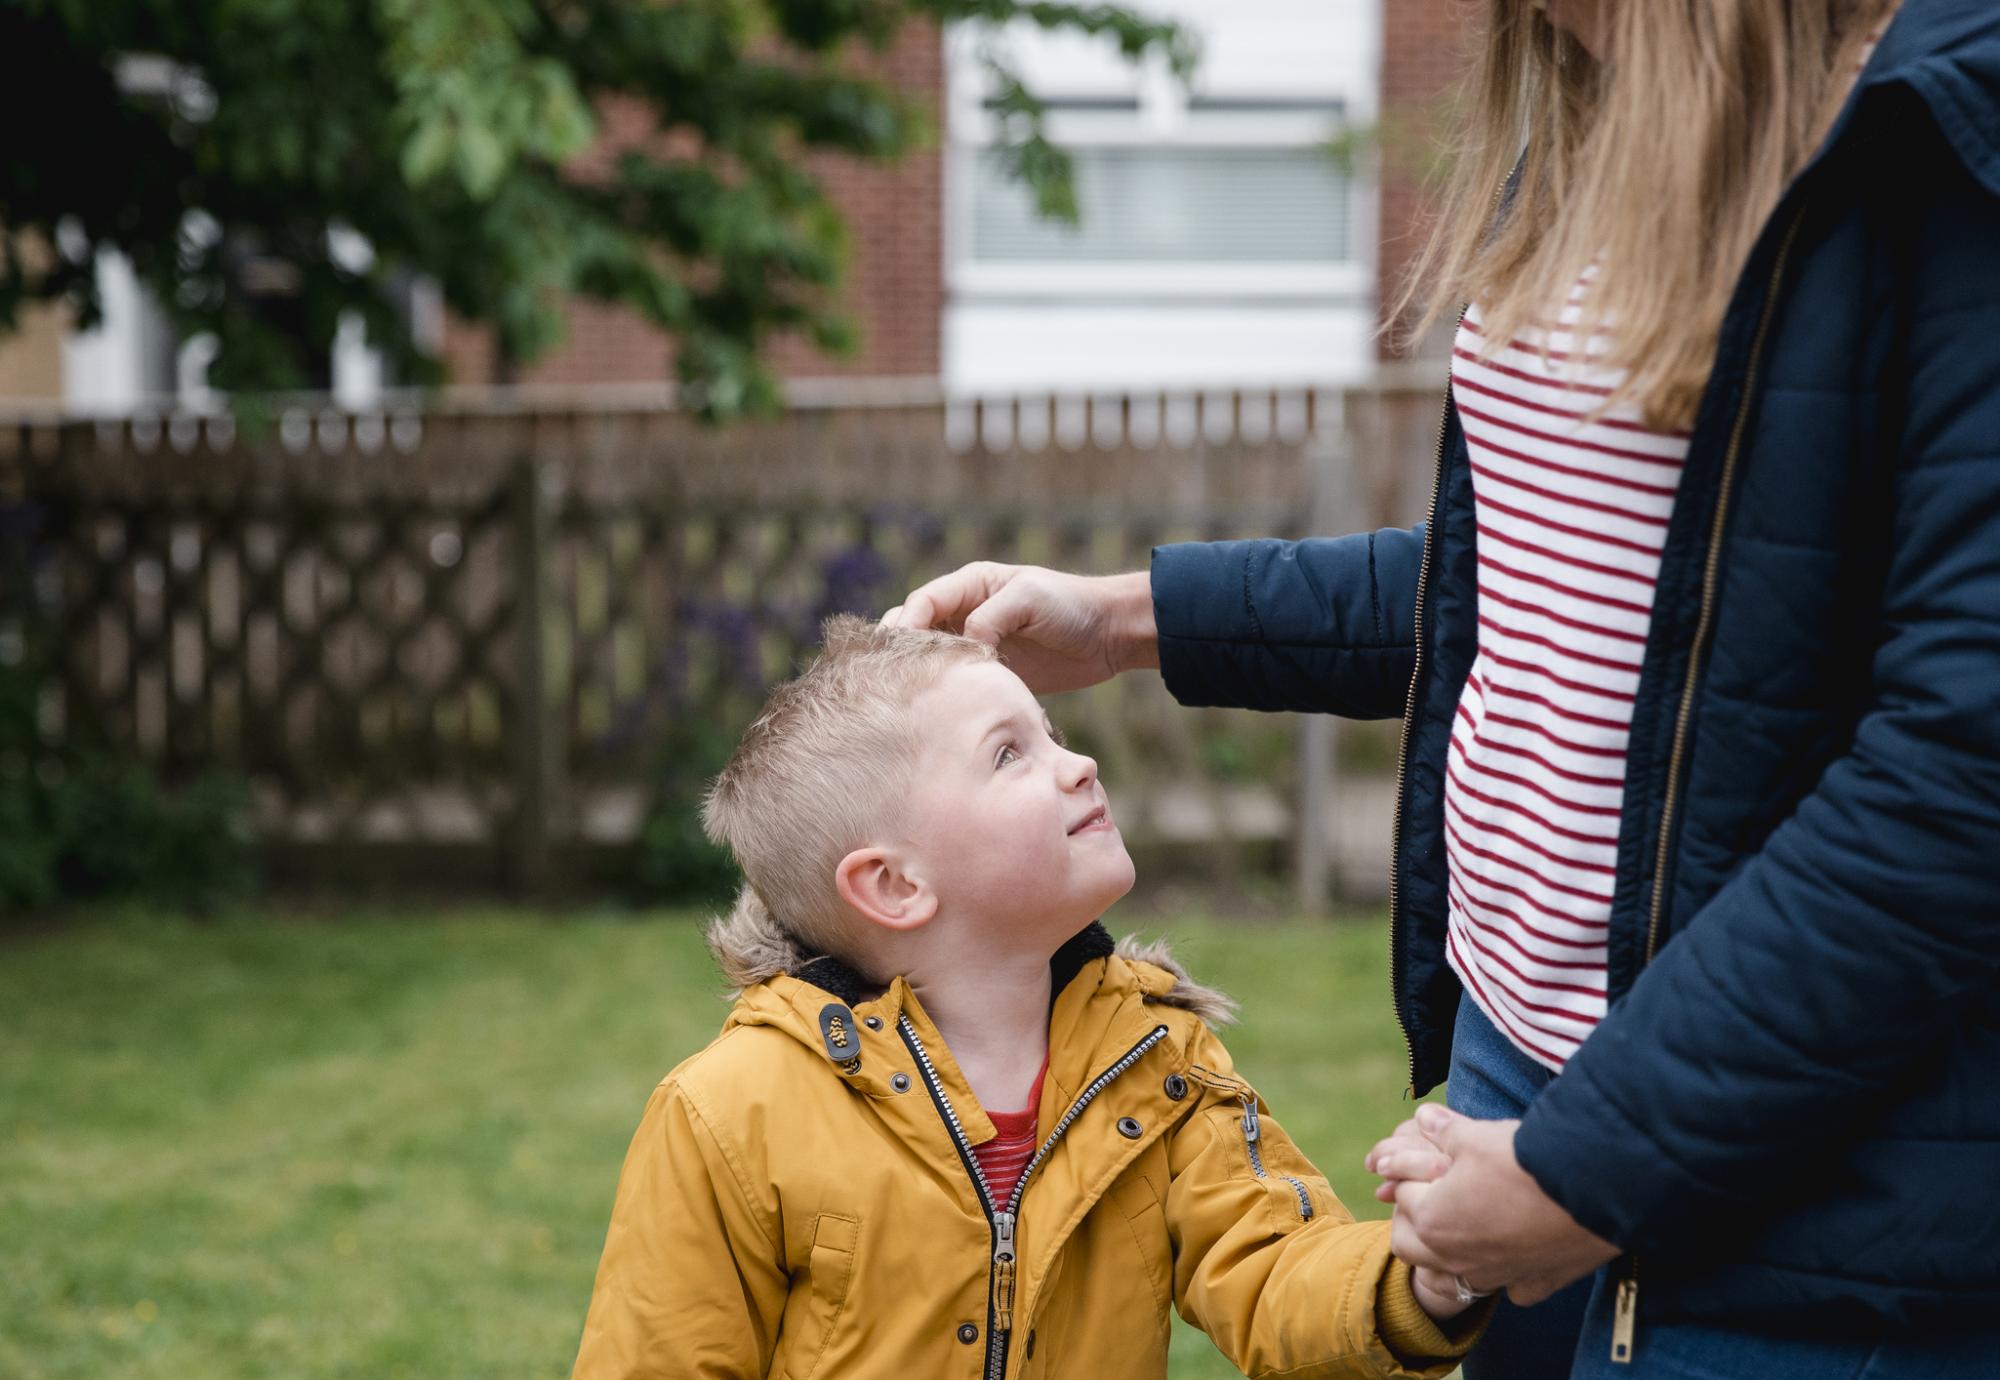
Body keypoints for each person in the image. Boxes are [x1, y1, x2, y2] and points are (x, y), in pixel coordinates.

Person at [881, 0, 2000, 1373]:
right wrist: (1127, 618)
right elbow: (1540, 587)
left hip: (1783, 1166)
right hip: (1515, 1079)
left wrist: (1600, 1164)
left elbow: (1957, 778)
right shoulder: (1587, 116)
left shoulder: (1938, 135)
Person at [566, 616, 1489, 1380]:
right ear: (893, 885)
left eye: (1051, 730)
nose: (1078, 762)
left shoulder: (1155, 1064)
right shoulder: (731, 1113)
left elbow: (1273, 1266)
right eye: (1009, 754)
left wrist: (1418, 1276)